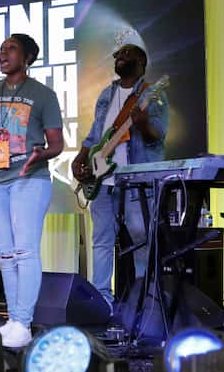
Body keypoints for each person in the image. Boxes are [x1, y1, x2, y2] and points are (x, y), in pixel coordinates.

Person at [0, 34, 63, 348]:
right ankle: (14, 320)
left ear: (28, 57)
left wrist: (40, 155)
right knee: (6, 254)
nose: (3, 53)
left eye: (11, 49)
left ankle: (24, 321)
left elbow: (57, 144)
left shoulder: (43, 94)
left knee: (25, 251)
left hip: (28, 178)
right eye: (0, 49)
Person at [71, 43, 168, 311]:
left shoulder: (152, 95)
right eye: (117, 54)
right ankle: (102, 301)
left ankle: (145, 301)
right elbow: (94, 136)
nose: (120, 57)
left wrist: (143, 123)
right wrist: (80, 159)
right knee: (101, 241)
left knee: (141, 239)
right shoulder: (106, 94)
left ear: (141, 63)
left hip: (136, 180)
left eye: (127, 54)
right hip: (103, 182)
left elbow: (157, 136)